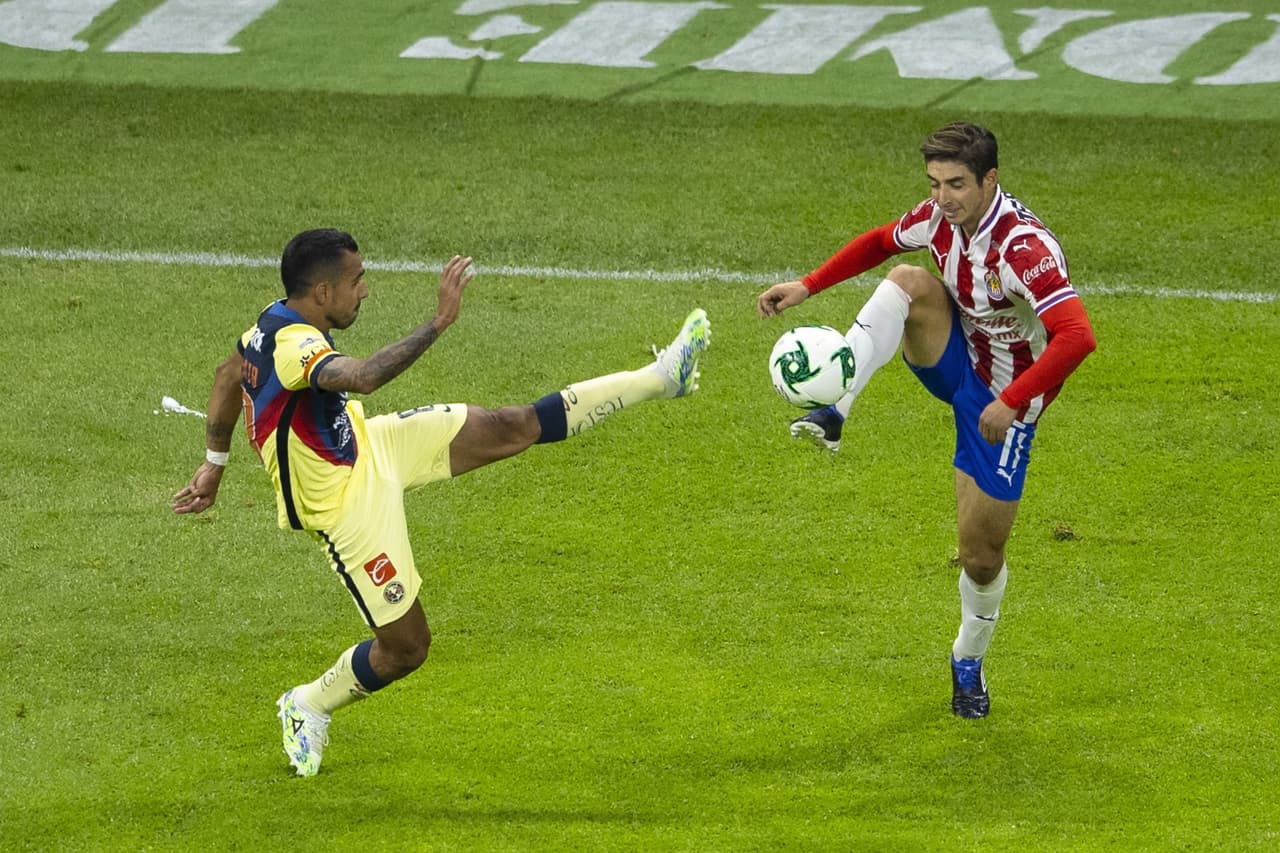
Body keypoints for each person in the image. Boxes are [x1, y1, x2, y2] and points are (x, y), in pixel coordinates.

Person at [173, 228, 711, 775]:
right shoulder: (295, 346)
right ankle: (308, 703)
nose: (365, 291)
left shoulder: (270, 322)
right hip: (345, 507)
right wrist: (439, 322)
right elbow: (362, 376)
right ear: (322, 292)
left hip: (369, 444)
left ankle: (662, 377)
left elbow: (226, 374)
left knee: (508, 425)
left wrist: (215, 465)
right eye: (356, 282)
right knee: (406, 648)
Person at [757, 122, 1096, 719]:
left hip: (1006, 405)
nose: (943, 198)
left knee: (980, 557)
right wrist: (808, 286)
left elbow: (1078, 336)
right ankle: (837, 408)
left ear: (991, 180)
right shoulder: (941, 217)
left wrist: (1013, 399)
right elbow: (881, 243)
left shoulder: (1023, 249)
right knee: (909, 280)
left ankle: (968, 658)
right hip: (954, 359)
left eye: (957, 184)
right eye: (935, 183)